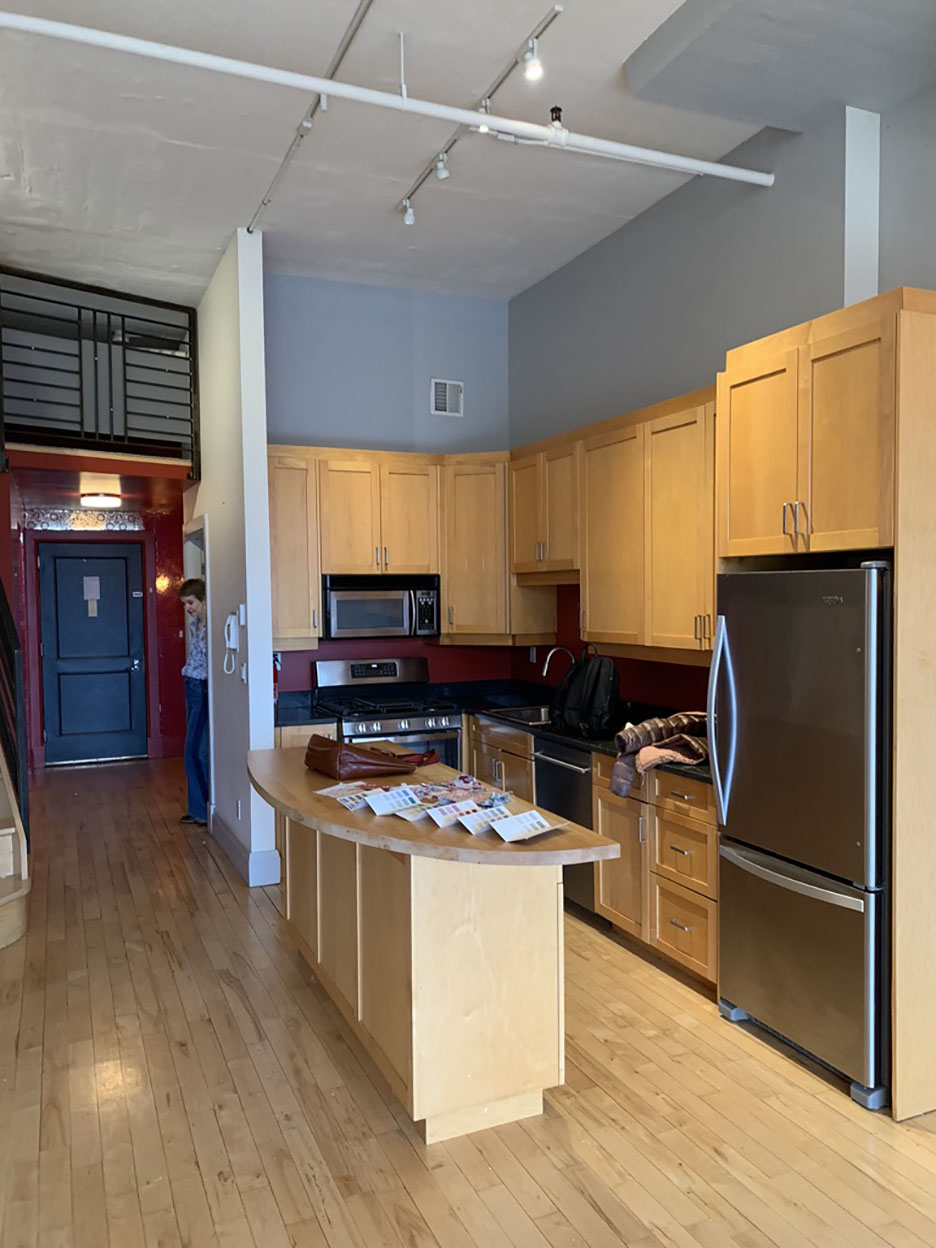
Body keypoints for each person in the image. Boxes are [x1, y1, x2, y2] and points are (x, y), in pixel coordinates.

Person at [178, 577, 209, 826]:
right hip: (191, 685)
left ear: (203, 600)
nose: (188, 608)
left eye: (191, 602)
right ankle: (198, 809)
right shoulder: (195, 625)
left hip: (202, 688)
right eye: (185, 604)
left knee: (195, 751)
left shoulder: (211, 627)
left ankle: (204, 809)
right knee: (192, 751)